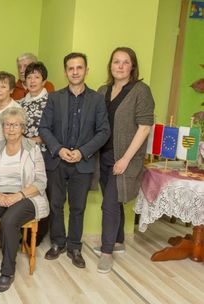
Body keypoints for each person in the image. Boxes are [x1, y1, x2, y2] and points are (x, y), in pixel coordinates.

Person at [39, 52, 110, 269]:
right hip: (57, 161)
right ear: (65, 72)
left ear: (86, 70)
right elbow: (44, 128)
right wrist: (58, 149)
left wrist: (83, 151)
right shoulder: (54, 98)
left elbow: (103, 131)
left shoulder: (97, 99)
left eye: (79, 67)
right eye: (71, 68)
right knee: (56, 205)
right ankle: (58, 243)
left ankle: (74, 247)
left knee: (78, 207)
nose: (75, 72)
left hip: (83, 162)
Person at [0, 107, 49, 292]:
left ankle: (8, 271)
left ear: (22, 127)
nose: (11, 129)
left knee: (9, 221)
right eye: (7, 125)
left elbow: (41, 181)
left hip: (26, 195)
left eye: (15, 125)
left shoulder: (33, 149)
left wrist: (18, 195)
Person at [95, 47, 154, 273]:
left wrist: (126, 160)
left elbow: (145, 127)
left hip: (125, 157)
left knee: (109, 204)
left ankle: (107, 252)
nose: (120, 66)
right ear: (110, 65)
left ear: (132, 66)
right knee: (114, 199)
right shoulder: (103, 90)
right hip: (103, 156)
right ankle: (118, 241)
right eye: (116, 61)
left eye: (125, 62)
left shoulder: (141, 90)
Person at [19, 62, 51, 246]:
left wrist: (35, 140)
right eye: (29, 77)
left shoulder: (50, 101)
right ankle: (23, 233)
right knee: (25, 191)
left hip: (44, 154)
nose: (32, 80)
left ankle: (37, 236)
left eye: (36, 77)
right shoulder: (21, 102)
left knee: (42, 192)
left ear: (44, 81)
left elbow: (55, 131)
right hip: (23, 155)